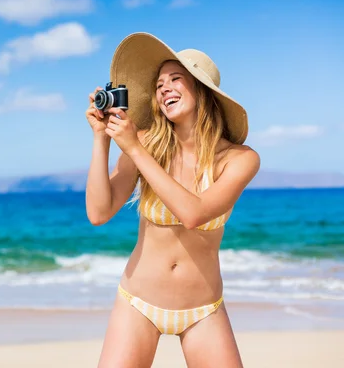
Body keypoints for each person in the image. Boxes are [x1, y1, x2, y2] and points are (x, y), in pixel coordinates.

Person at [85, 32, 260, 367]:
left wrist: (133, 147)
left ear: (203, 91)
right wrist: (101, 140)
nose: (164, 88)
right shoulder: (146, 143)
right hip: (138, 302)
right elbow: (98, 212)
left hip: (203, 309)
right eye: (159, 84)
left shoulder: (239, 159)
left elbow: (194, 214)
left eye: (176, 79)